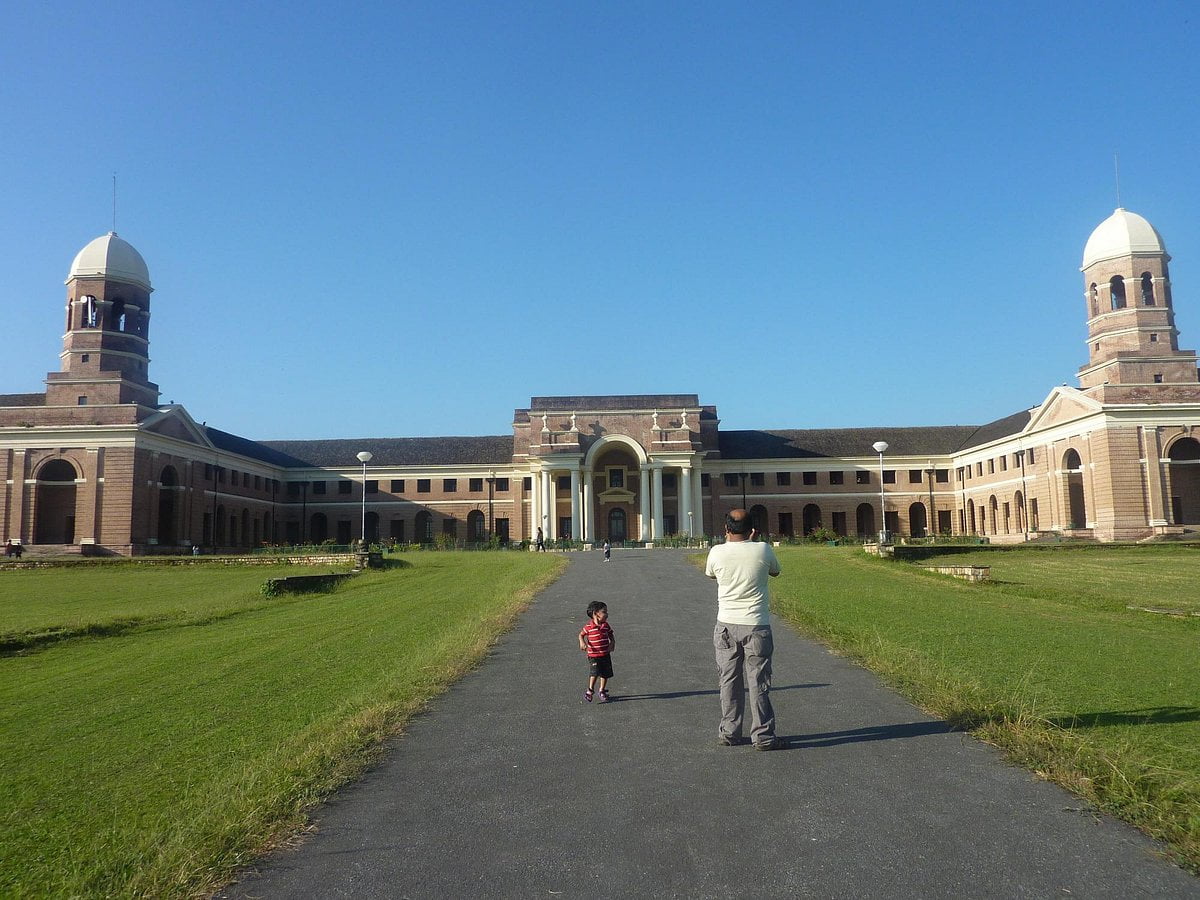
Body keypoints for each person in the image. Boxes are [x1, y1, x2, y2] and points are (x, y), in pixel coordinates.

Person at [704, 508, 782, 750]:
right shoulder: (763, 549)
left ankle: (729, 732)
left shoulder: (716, 552)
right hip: (757, 625)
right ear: (753, 530)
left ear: (726, 529)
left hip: (726, 624)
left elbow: (711, 575)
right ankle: (763, 737)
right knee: (759, 682)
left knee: (728, 680)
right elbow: (775, 571)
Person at [578, 600, 615, 703]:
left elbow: (611, 634)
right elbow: (581, 634)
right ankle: (590, 691)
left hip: (605, 653)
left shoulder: (606, 625)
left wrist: (612, 642)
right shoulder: (588, 627)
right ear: (595, 614)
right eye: (604, 612)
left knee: (605, 673)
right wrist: (582, 642)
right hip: (593, 655)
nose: (607, 614)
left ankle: (602, 690)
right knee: (594, 672)